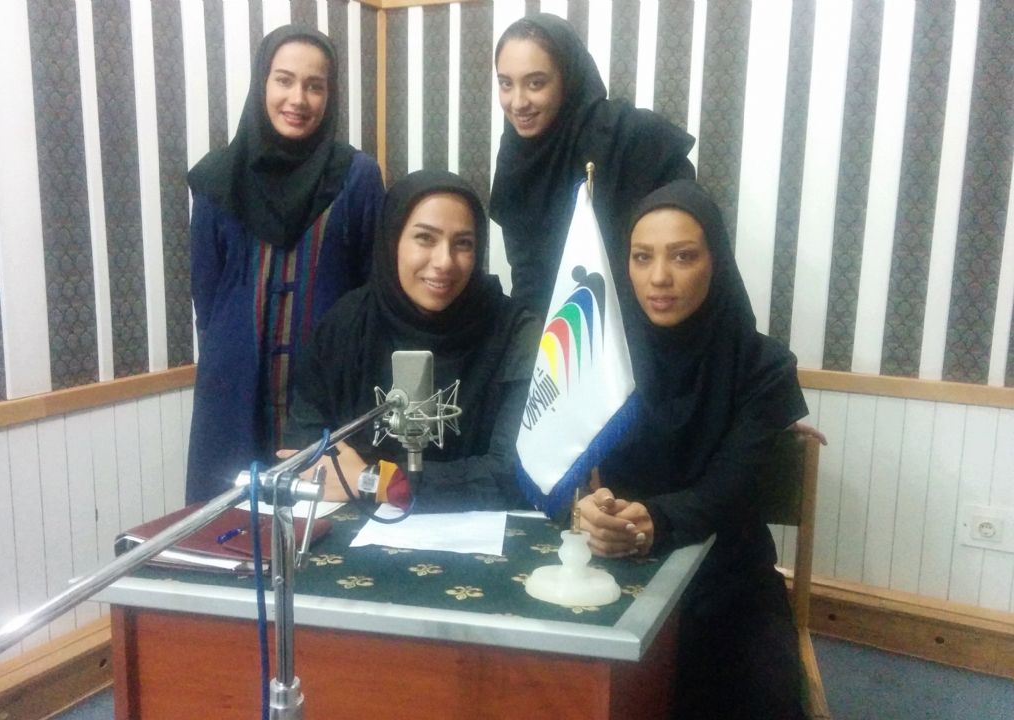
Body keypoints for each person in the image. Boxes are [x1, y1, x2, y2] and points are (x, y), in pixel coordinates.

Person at [578, 180, 807, 719]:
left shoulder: (764, 367)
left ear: (715, 262)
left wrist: (655, 520)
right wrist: (583, 508)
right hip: (617, 567)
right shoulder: (599, 355)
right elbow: (565, 459)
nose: (659, 277)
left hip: (729, 577)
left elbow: (730, 486)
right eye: (642, 257)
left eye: (682, 256)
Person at [185, 26, 384, 503]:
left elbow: (372, 291)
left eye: (315, 86)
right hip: (233, 394)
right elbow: (206, 296)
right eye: (284, 80)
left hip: (328, 394)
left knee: (322, 520)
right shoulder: (217, 177)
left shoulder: (356, 177)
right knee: (231, 522)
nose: (298, 98)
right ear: (263, 83)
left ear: (330, 96)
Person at [285, 170, 539, 512]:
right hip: (354, 526)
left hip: (478, 533)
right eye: (425, 238)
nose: (444, 262)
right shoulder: (346, 324)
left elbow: (518, 472)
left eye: (463, 243)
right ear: (392, 241)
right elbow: (305, 448)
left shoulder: (515, 332)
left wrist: (377, 481)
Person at [491, 13, 695, 317]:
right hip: (554, 330)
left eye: (535, 83)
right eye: (506, 84)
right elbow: (527, 275)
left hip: (642, 324)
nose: (518, 102)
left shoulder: (631, 138)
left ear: (568, 78)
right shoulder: (516, 155)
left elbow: (682, 247)